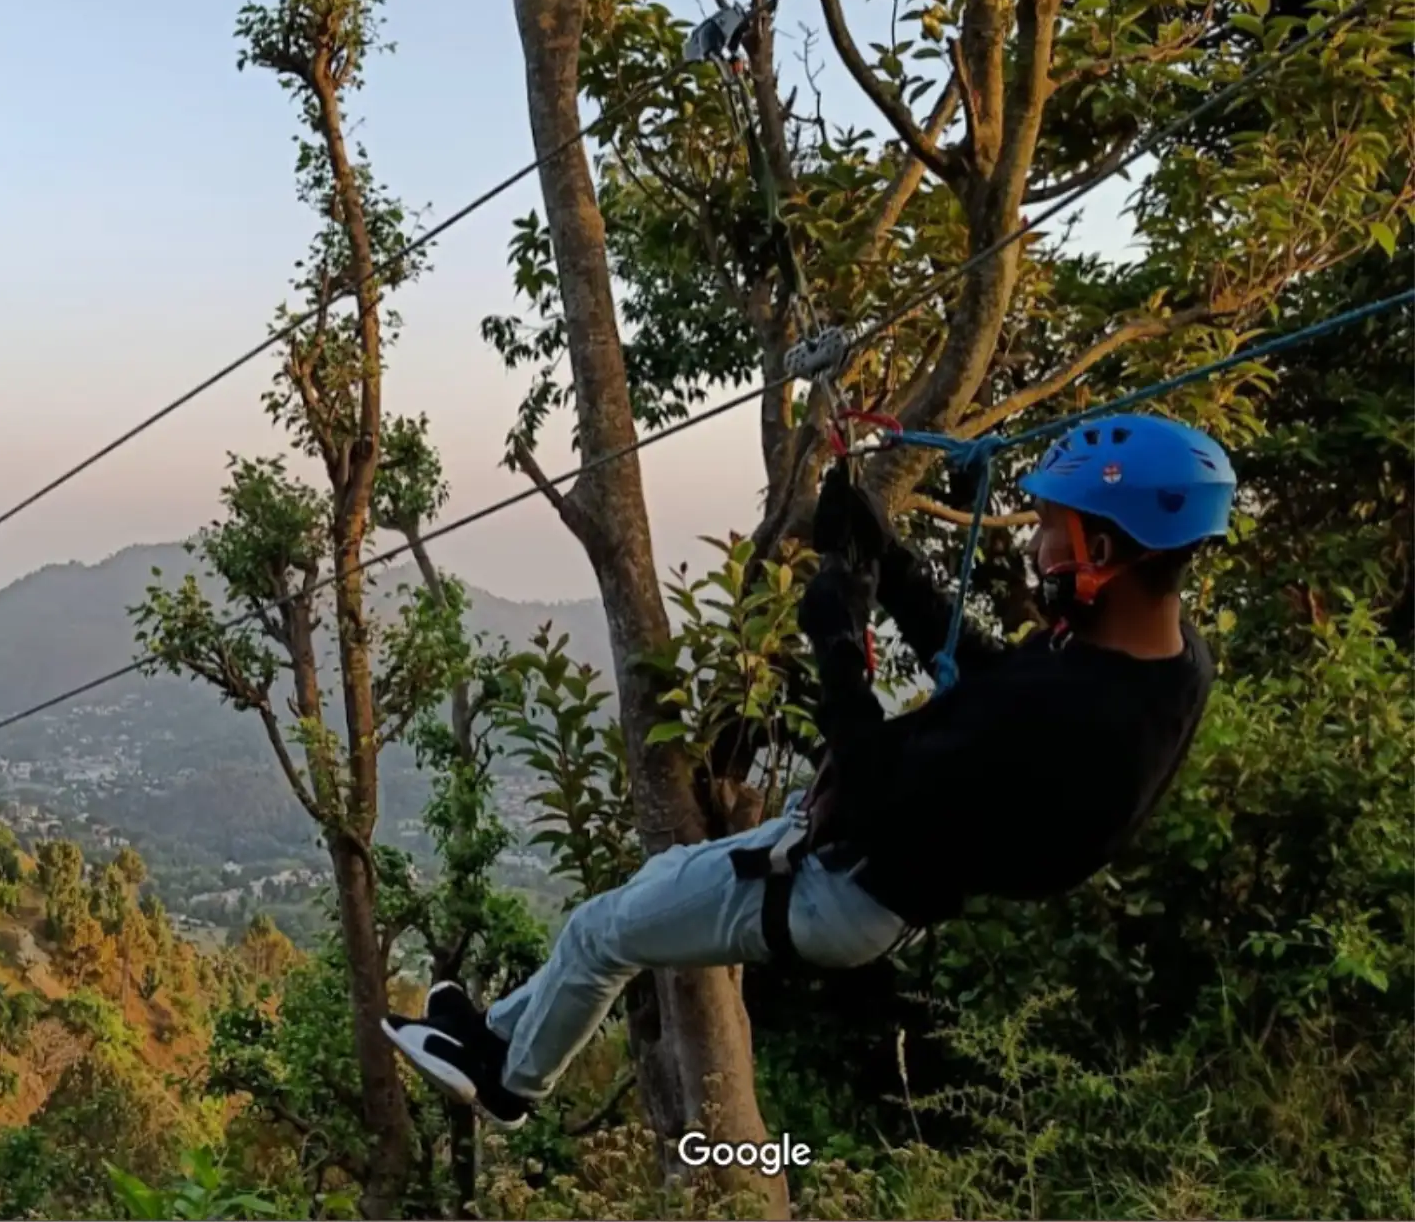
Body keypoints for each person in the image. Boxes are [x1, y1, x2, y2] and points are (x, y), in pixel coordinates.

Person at [384, 412, 1234, 1128]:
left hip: (842, 886)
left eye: (1053, 526)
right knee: (616, 918)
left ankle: (509, 1084)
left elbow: (873, 788)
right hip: (864, 873)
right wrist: (888, 557)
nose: (1038, 543)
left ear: (1106, 547)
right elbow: (990, 668)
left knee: (604, 932)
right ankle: (496, 1034)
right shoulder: (1159, 662)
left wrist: (836, 645)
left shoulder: (1076, 721)